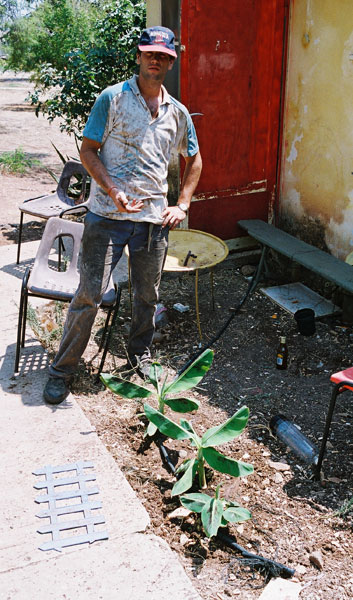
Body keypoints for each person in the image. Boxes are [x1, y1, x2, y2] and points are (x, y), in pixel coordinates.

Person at [43, 25, 202, 405]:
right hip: (105, 217)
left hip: (152, 222)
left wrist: (182, 204)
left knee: (148, 294)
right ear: (139, 56)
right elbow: (88, 150)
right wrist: (112, 191)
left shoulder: (176, 112)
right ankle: (62, 370)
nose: (156, 61)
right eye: (150, 54)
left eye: (163, 56)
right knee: (90, 294)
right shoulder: (112, 99)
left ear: (170, 62)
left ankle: (138, 355)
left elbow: (194, 158)